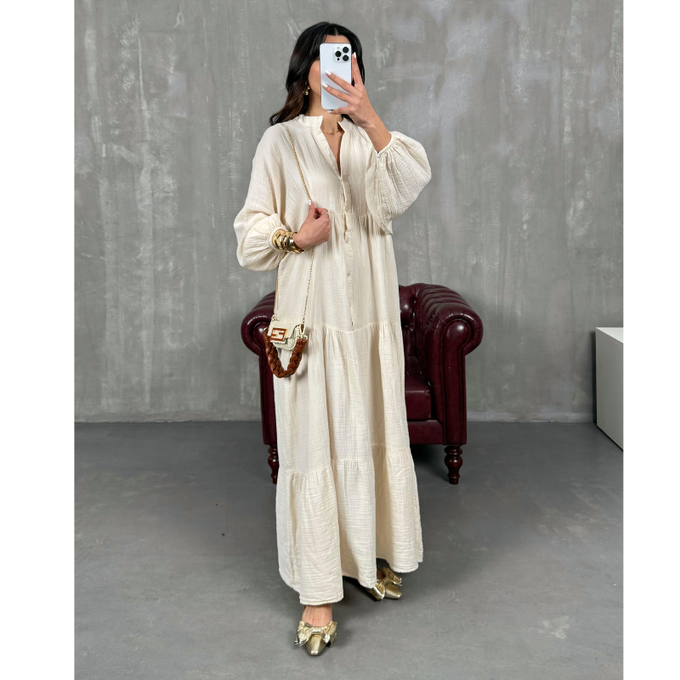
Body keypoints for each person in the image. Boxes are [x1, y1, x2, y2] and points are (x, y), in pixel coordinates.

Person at [233, 22, 431, 656]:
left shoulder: (372, 140)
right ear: (306, 69)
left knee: (369, 429)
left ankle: (366, 558)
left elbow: (405, 188)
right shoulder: (280, 141)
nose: (337, 65)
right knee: (315, 441)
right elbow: (249, 233)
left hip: (370, 313)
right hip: (312, 316)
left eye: (348, 56)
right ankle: (318, 592)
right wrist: (297, 238)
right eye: (326, 56)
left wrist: (368, 115)